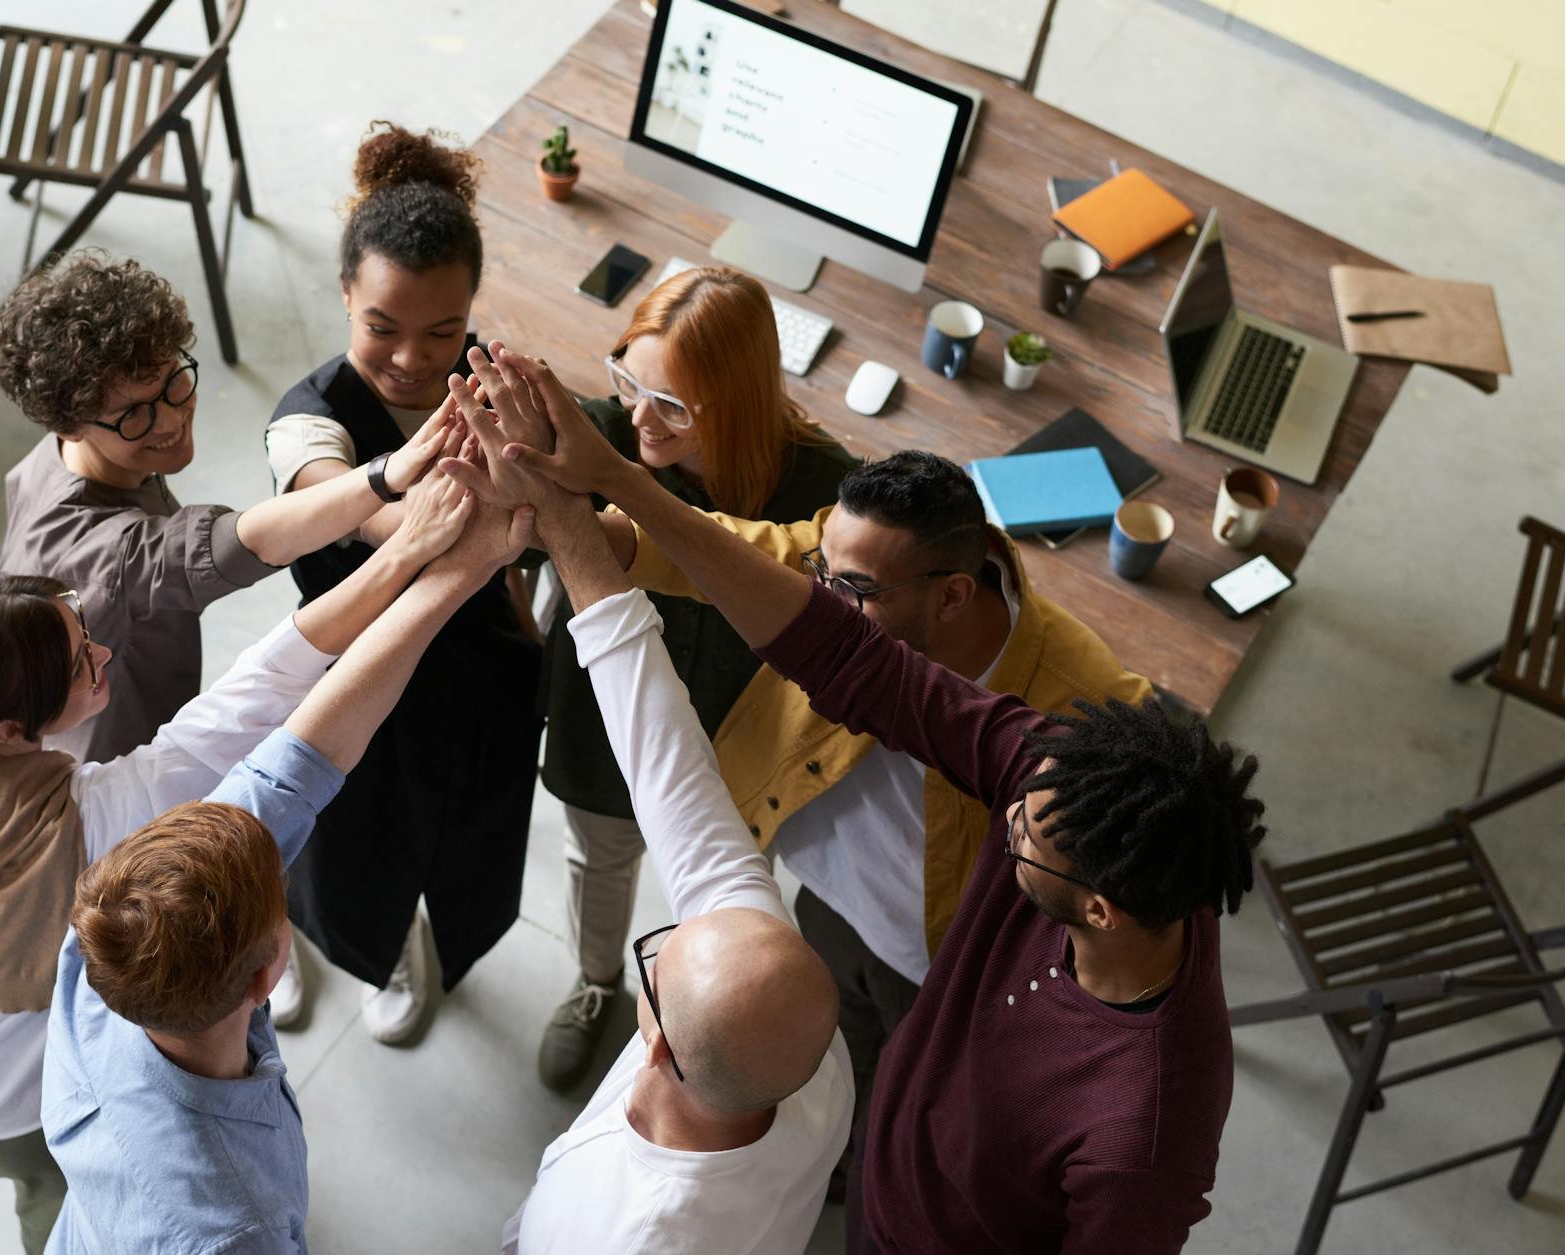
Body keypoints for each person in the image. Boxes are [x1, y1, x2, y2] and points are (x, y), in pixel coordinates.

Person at [454, 345, 1269, 1254]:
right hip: (881, 1152)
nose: (1006, 816)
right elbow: (846, 654)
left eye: (1022, 840)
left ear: (1097, 908)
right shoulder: (1057, 779)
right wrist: (604, 486)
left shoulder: (1146, 1127)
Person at [0, 478, 470, 1255]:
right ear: (13, 728)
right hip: (18, 1098)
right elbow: (259, 692)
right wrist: (408, 553)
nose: (104, 654)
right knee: (64, 1217)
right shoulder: (100, 821)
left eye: (81, 628)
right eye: (82, 663)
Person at [616, 450, 1153, 1227]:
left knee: (897, 1131)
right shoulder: (850, 559)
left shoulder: (1080, 698)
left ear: (955, 594)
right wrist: (596, 525)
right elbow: (725, 550)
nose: (821, 605)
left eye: (854, 593)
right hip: (828, 904)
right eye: (822, 571)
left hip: (934, 965)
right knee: (823, 1064)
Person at [42, 494, 534, 1254]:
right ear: (268, 973)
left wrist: (463, 567)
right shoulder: (236, 1225)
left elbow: (302, 758)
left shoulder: (104, 949)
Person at [0, 252, 454, 1025]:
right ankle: (255, 947)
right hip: (123, 770)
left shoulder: (56, 461)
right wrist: (388, 477)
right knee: (215, 867)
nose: (169, 417)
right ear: (68, 419)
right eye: (135, 413)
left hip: (140, 729)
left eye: (175, 381)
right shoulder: (102, 551)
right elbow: (242, 542)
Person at [461, 377, 851, 1255]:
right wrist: (565, 518)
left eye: (655, 960)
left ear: (660, 1043)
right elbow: (667, 761)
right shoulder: (807, 1058)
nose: (662, 942)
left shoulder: (638, 1236)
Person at [534, 267, 856, 1091]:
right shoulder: (596, 436)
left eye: (671, 403)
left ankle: (694, 1026)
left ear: (740, 402)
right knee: (599, 860)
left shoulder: (828, 494)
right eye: (628, 381)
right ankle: (597, 981)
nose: (639, 416)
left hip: (744, 751)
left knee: (719, 907)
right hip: (607, 728)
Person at [261, 122, 543, 1044]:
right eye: (381, 326)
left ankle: (407, 952)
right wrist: (429, 518)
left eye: (443, 331)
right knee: (332, 841)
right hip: (351, 672)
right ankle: (290, 944)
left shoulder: (502, 390)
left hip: (474, 679)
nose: (413, 359)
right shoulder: (308, 423)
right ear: (345, 294)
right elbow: (339, 502)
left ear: (473, 311)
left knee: (461, 846)